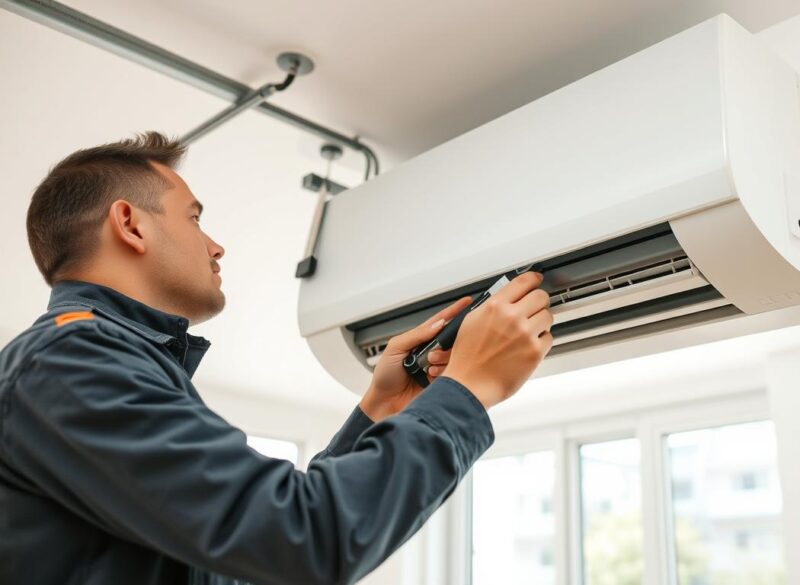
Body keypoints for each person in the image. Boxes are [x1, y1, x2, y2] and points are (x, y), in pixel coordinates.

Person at [0, 132, 554, 584]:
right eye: (194, 218)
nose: (215, 246)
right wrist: (467, 390)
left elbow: (254, 564)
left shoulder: (95, 363)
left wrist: (379, 409)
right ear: (130, 224)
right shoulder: (72, 362)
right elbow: (304, 542)